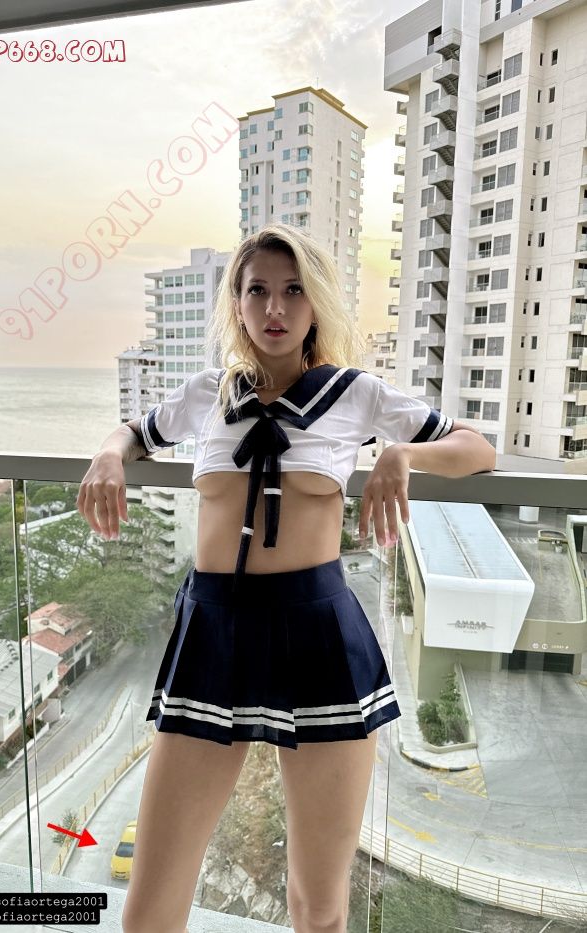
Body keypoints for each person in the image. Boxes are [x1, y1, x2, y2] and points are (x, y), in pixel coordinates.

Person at [76, 224, 496, 933]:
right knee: (148, 910)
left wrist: (402, 456)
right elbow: (137, 431)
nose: (275, 307)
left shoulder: (355, 394)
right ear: (237, 304)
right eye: (258, 290)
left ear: (315, 302)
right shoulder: (208, 394)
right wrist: (109, 453)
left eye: (293, 290)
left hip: (318, 633)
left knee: (318, 906)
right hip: (213, 630)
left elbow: (477, 448)